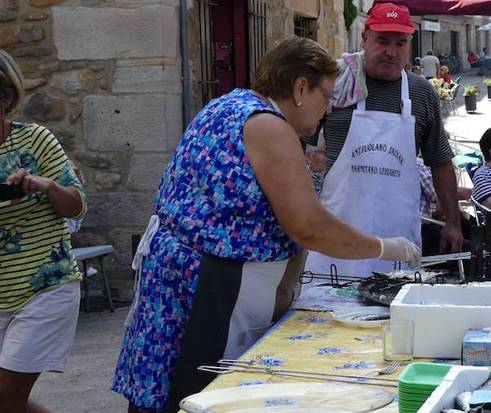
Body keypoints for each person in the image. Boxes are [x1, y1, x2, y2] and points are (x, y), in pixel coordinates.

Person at [112, 38, 421, 413]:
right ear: (300, 88)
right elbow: (308, 225)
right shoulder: (269, 126)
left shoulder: (227, 104)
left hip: (176, 274)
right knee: (203, 393)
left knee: (166, 393)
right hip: (208, 284)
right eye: (326, 96)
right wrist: (384, 247)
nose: (327, 110)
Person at [304, 2, 463, 277]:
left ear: (410, 44)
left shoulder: (421, 92)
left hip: (397, 238)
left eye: (400, 43)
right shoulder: (338, 84)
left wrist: (453, 219)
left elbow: (439, 160)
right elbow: (297, 146)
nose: (391, 51)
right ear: (365, 37)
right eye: (382, 41)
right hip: (338, 231)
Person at [0, 50, 87, 413]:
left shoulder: (35, 140)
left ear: (5, 98)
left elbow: (77, 206)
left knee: (6, 398)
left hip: (44, 287)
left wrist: (47, 187)